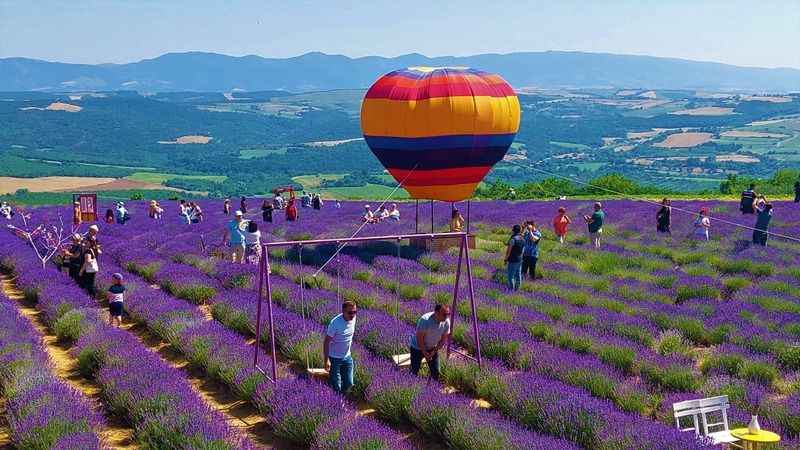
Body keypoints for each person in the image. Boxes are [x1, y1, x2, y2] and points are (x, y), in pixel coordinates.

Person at [409, 304, 451, 380]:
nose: (446, 317)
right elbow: (419, 339)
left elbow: (443, 340)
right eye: (444, 314)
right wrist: (425, 353)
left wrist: (433, 352)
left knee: (436, 372)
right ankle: (410, 383)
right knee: (414, 371)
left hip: (432, 348)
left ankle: (432, 385)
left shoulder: (446, 322)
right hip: (417, 348)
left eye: (448, 314)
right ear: (436, 313)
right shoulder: (425, 320)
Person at [324, 301, 357, 394]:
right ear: (343, 311)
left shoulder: (353, 318)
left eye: (355, 312)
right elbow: (326, 342)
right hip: (334, 358)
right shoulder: (335, 323)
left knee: (349, 383)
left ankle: (341, 399)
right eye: (350, 312)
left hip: (347, 357)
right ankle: (337, 400)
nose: (352, 315)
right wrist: (326, 360)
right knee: (336, 386)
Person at [504, 224, 525, 291]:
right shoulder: (523, 239)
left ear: (513, 231)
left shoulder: (513, 240)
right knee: (518, 275)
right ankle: (517, 289)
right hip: (520, 260)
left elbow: (508, 251)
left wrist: (505, 259)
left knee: (510, 276)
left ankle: (511, 290)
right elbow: (523, 250)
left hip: (513, 260)